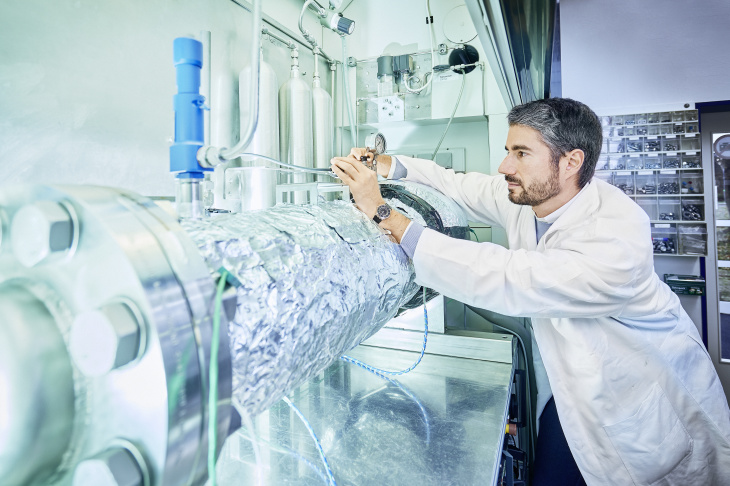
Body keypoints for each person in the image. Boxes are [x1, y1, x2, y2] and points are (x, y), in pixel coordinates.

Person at [330, 98, 730, 485]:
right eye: (509, 150)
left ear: (571, 161)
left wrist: (382, 213)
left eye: (521, 153)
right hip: (569, 393)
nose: (505, 166)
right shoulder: (535, 198)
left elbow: (509, 277)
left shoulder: (616, 238)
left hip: (635, 405)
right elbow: (458, 184)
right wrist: (388, 164)